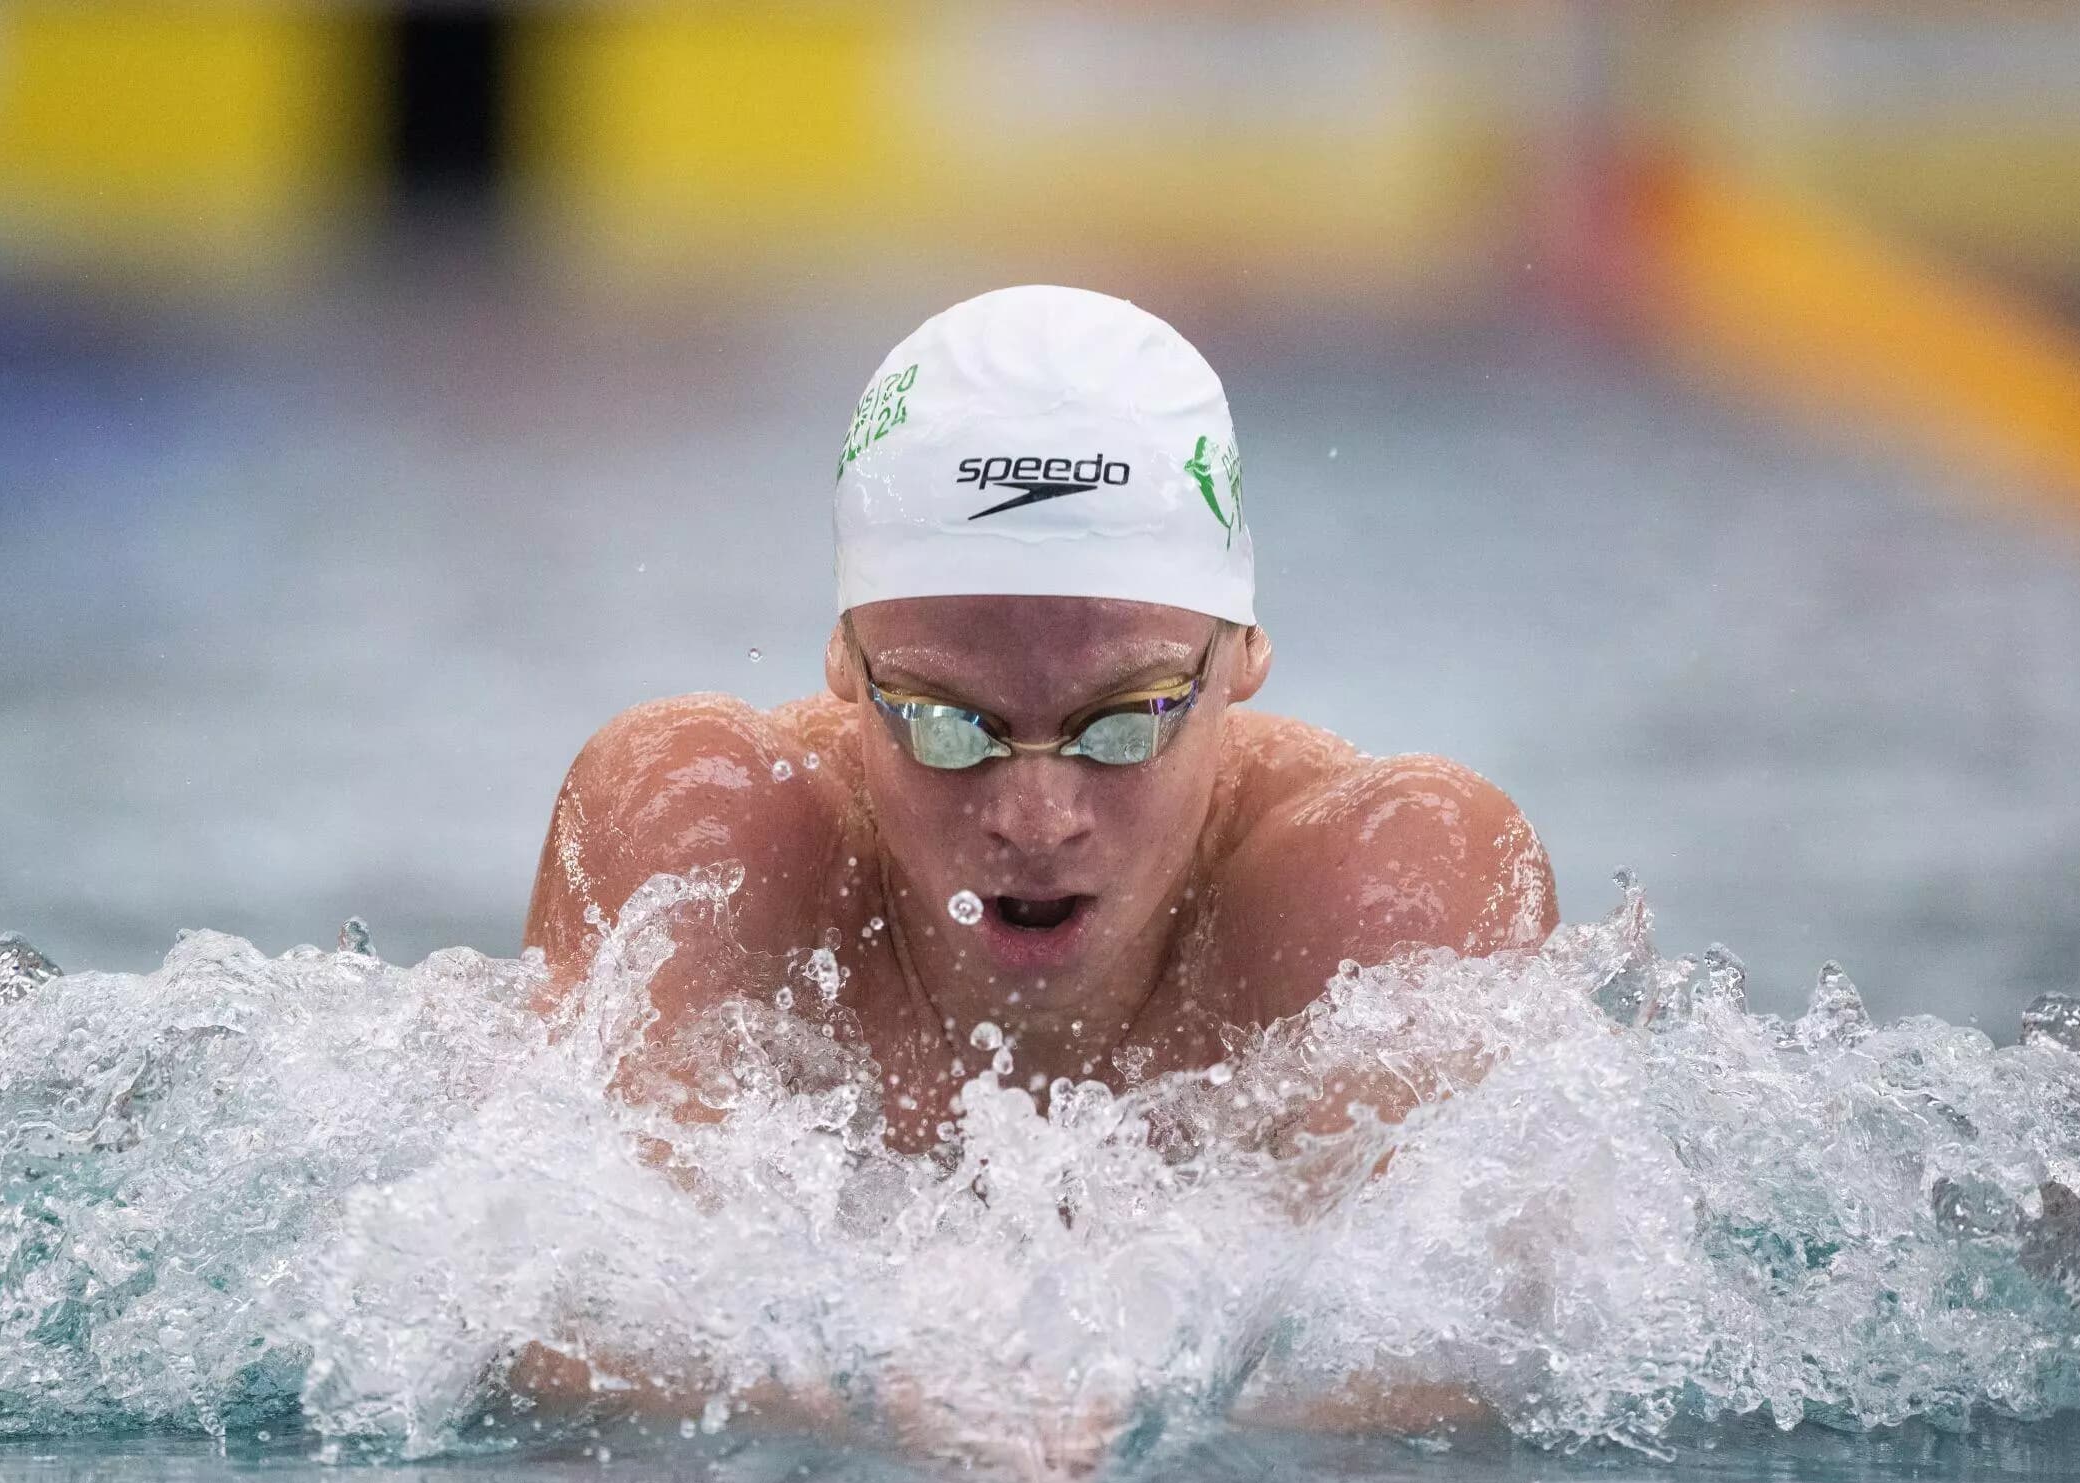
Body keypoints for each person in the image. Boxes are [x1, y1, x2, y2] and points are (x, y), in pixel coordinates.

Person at [524, 285, 1556, 1154]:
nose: (1033, 815)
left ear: (1242, 656)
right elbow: (572, 1349)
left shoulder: (1390, 886)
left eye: (1122, 722)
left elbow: (1437, 1380)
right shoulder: (699, 833)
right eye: (946, 724)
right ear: (845, 659)